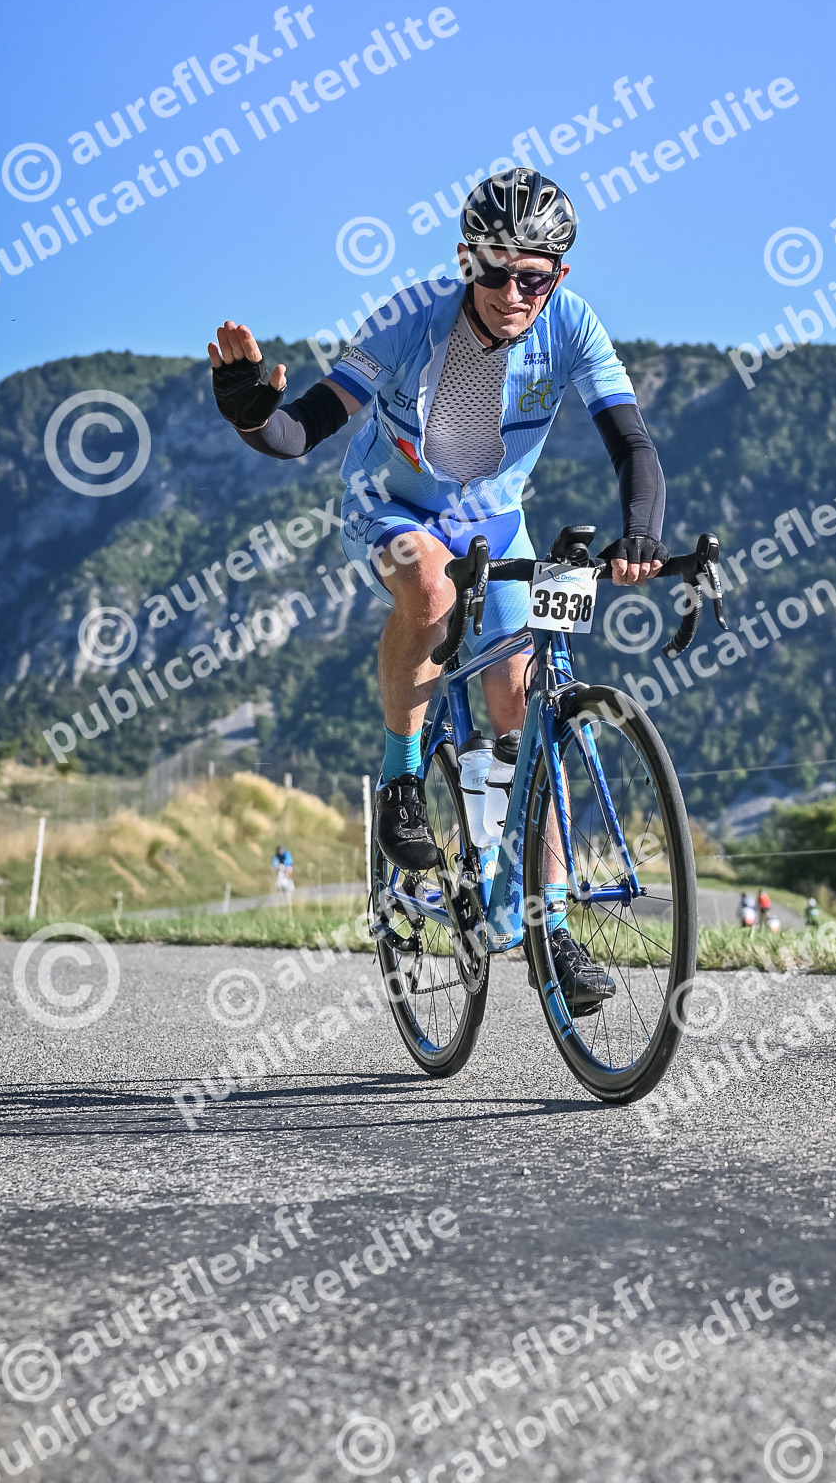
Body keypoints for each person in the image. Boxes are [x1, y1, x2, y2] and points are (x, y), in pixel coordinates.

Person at [207, 169, 667, 1014]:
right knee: (428, 586)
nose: (512, 292)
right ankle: (402, 781)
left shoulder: (572, 324)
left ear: (559, 275)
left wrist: (641, 532)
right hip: (391, 508)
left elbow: (632, 445)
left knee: (527, 715)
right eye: (495, 270)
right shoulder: (410, 318)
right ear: (466, 261)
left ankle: (549, 923)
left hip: (495, 524)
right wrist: (251, 415)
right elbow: (302, 428)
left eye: (533, 276)